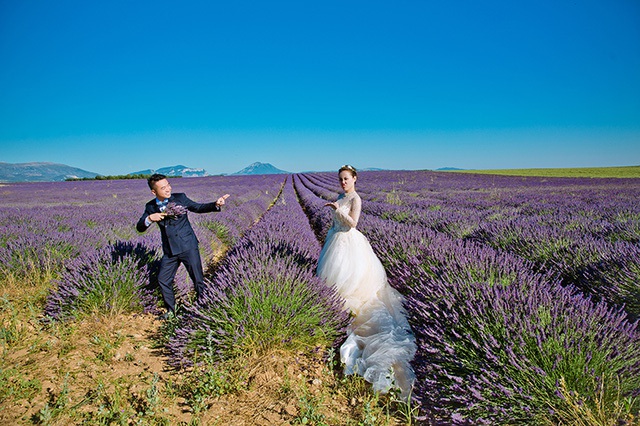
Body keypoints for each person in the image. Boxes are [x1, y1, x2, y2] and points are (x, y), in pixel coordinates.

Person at [317, 165, 416, 399]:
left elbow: (353, 223)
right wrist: (330, 231)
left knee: (353, 281)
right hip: (336, 241)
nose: (343, 182)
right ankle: (336, 310)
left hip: (350, 243)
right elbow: (337, 224)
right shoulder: (341, 197)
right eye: (340, 179)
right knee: (335, 278)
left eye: (346, 179)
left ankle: (349, 315)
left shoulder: (355, 198)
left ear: (354, 179)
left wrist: (337, 211)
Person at [137, 173, 229, 318]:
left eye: (168, 185)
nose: (168, 189)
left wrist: (215, 204)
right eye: (163, 187)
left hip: (188, 246)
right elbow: (140, 227)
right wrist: (149, 218)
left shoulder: (180, 198)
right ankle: (171, 311)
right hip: (170, 251)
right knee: (163, 280)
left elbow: (198, 207)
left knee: (197, 279)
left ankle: (204, 309)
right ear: (154, 192)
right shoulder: (150, 206)